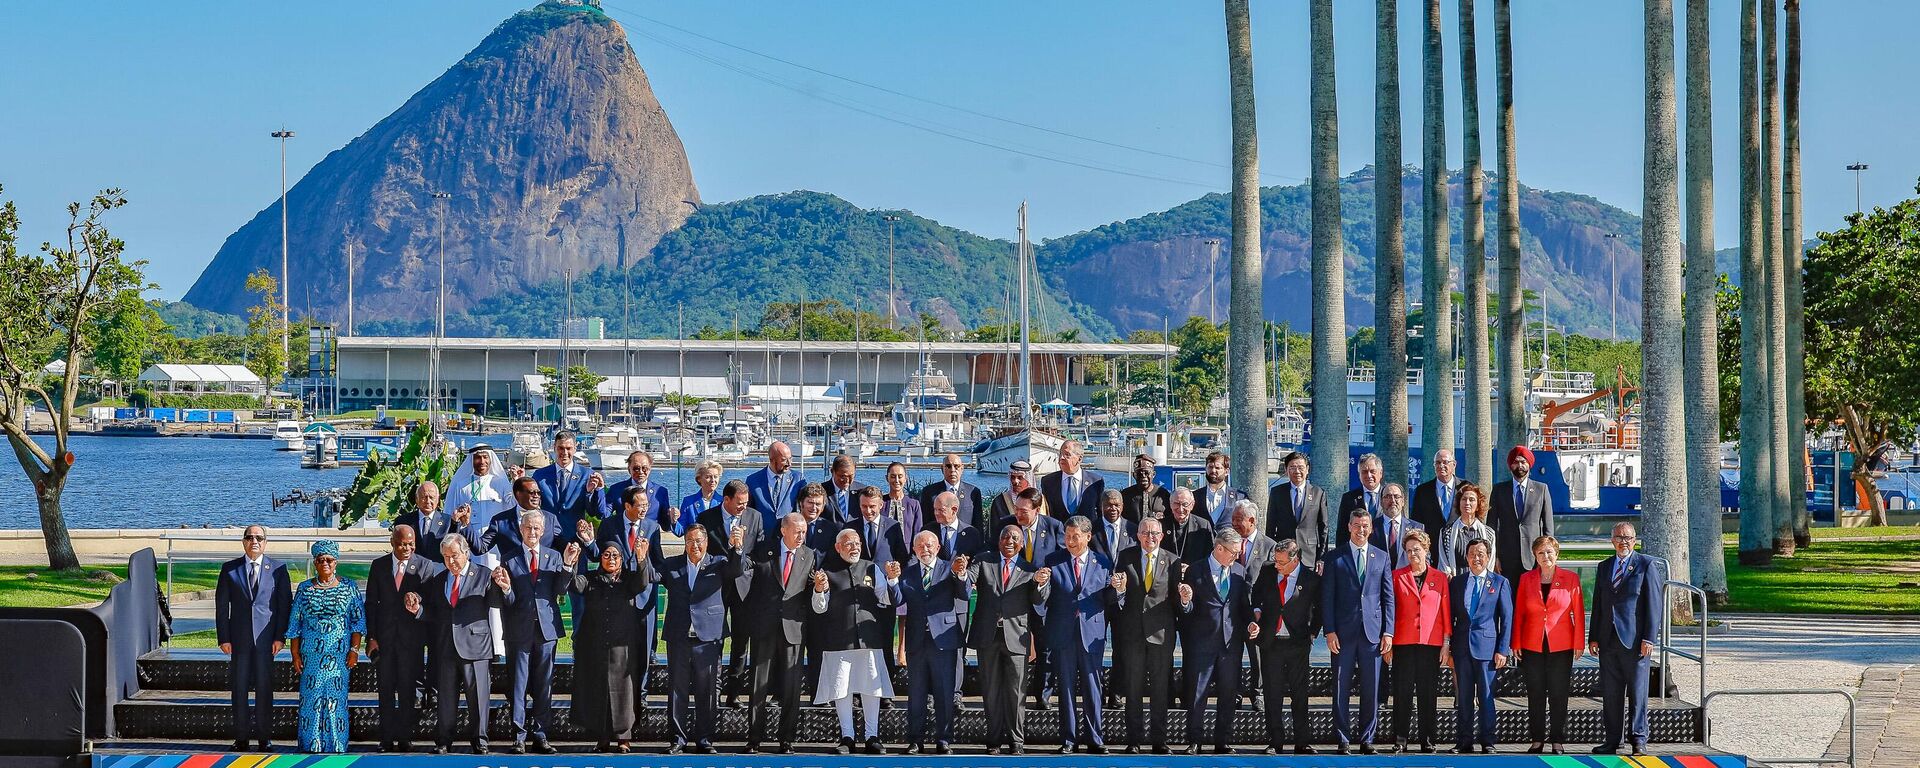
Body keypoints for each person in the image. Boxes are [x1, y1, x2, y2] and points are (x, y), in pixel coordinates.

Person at [634, 526, 732, 754]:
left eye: (698, 541)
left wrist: (737, 548)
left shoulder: (720, 563)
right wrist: (642, 558)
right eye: (689, 541)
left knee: (707, 691)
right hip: (679, 637)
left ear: (706, 542)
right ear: (684, 543)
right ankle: (677, 739)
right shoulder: (673, 564)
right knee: (677, 691)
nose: (694, 545)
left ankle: (705, 739)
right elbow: (651, 576)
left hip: (708, 637)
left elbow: (738, 569)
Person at [412, 533, 511, 754]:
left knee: (478, 698)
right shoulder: (439, 580)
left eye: (454, 555)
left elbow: (497, 603)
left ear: (466, 553)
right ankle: (444, 741)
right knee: (446, 698)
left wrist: (504, 588)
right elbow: (434, 612)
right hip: (446, 647)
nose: (451, 561)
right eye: (446, 557)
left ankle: (480, 741)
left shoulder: (484, 575)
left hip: (476, 647)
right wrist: (418, 610)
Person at [733, 513, 820, 754]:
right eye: (797, 531)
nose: (802, 536)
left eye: (804, 531)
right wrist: (738, 548)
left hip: (793, 629)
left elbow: (811, 589)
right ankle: (754, 738)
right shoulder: (763, 550)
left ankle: (786, 739)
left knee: (792, 687)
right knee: (758, 685)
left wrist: (820, 588)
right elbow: (742, 570)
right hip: (764, 627)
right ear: (783, 530)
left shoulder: (809, 555)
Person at [958, 526, 1050, 754]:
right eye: (1005, 536)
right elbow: (967, 583)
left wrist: (1040, 583)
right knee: (990, 690)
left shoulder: (1029, 569)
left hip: (1016, 637)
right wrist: (960, 573)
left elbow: (1038, 601)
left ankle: (1016, 740)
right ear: (998, 541)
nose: (1009, 540)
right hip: (987, 636)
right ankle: (994, 740)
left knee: (1017, 692)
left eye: (1015, 538)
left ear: (1022, 544)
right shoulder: (983, 561)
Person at [811, 529, 903, 754]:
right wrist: (819, 589)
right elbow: (818, 607)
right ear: (838, 547)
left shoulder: (872, 568)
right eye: (848, 543)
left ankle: (872, 736)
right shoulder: (827, 572)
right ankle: (847, 736)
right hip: (838, 640)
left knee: (871, 688)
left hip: (868, 639)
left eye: (857, 543)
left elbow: (889, 599)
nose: (854, 547)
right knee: (842, 689)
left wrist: (892, 580)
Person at [499, 511, 579, 754]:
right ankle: (519, 735)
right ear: (520, 530)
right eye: (527, 528)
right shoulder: (509, 558)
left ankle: (541, 734)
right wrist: (504, 589)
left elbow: (560, 589)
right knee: (518, 684)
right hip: (519, 629)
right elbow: (509, 600)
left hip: (546, 629)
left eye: (536, 529)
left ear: (542, 531)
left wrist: (567, 565)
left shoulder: (555, 556)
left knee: (544, 684)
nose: (532, 533)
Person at [1039, 516, 1119, 754]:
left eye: (1075, 536)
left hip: (1091, 634)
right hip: (1063, 633)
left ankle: (1095, 738)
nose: (1070, 541)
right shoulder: (1053, 561)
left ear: (1088, 536)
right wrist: (1040, 585)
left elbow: (1109, 601)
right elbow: (1043, 599)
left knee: (1093, 688)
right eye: (1067, 536)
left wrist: (1119, 589)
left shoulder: (1103, 562)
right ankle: (1069, 739)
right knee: (1065, 688)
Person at [584, 485, 664, 710]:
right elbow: (599, 556)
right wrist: (589, 542)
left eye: (646, 505)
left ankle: (642, 695)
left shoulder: (652, 527)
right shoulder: (610, 525)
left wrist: (649, 576)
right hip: (616, 601)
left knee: (645, 648)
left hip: (644, 599)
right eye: (640, 505)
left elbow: (659, 563)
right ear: (627, 505)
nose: (644, 509)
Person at [1322, 508, 1395, 754]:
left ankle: (1367, 738)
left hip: (1372, 633)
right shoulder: (1335, 557)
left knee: (1371, 687)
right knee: (1341, 686)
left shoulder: (1381, 557)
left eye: (1365, 526)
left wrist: (1388, 632)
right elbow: (1327, 597)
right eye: (1356, 525)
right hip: (1342, 634)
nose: (1360, 530)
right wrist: (1329, 630)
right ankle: (1343, 738)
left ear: (1371, 528)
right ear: (1349, 527)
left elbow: (1388, 598)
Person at [215, 525, 291, 753]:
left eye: (259, 538)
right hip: (238, 641)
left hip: (267, 642)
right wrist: (223, 637)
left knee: (265, 689)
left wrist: (280, 637)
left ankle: (264, 737)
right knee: (239, 689)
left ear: (265, 542)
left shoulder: (278, 569)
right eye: (249, 537)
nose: (254, 541)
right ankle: (241, 738)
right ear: (243, 541)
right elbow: (221, 608)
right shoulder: (230, 569)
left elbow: (284, 606)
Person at [284, 539, 364, 754]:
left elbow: (358, 621)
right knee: (311, 699)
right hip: (311, 655)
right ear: (315, 562)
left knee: (336, 700)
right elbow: (295, 623)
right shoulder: (305, 588)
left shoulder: (349, 587)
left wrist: (354, 651)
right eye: (320, 560)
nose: (325, 564)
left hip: (339, 656)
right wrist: (295, 653)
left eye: (329, 560)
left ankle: (336, 745)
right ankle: (312, 744)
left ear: (336, 562)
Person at [1178, 529, 1253, 754]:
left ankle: (1223, 741)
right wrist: (1185, 601)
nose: (1236, 557)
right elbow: (1187, 611)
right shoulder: (1196, 570)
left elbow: (1243, 606)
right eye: (1233, 552)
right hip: (1202, 643)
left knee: (1229, 694)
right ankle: (1195, 740)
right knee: (1197, 694)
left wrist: (1251, 623)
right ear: (1219, 548)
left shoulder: (1239, 571)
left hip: (1230, 644)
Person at [1590, 523, 1661, 756]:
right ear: (1612, 540)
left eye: (1628, 538)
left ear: (1635, 540)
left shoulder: (1646, 565)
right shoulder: (1604, 567)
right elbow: (1598, 604)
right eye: (1619, 537)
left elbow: (1654, 605)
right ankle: (1613, 740)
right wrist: (1593, 637)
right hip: (1608, 640)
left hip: (1635, 641)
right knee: (1611, 693)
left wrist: (1649, 638)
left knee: (1638, 693)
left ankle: (1638, 739)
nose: (1624, 542)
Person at [572, 543, 652, 753]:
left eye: (615, 555)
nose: (611, 558)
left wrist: (642, 559)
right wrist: (571, 562)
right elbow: (574, 585)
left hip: (622, 647)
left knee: (624, 693)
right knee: (599, 692)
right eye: (606, 554)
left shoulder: (627, 580)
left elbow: (642, 583)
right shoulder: (590, 579)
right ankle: (602, 737)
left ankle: (624, 738)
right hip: (595, 646)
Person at [368, 525, 440, 752]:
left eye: (410, 544)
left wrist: (417, 604)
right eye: (401, 544)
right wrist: (371, 637)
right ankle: (386, 739)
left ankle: (406, 737)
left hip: (412, 641)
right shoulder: (378, 566)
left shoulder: (425, 566)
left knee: (409, 691)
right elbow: (371, 604)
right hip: (385, 640)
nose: (406, 548)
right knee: (386, 689)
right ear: (392, 543)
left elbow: (431, 603)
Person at [898, 530, 968, 755]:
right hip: (917, 641)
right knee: (916, 693)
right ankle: (915, 740)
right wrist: (891, 580)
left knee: (944, 692)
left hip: (944, 639)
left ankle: (944, 739)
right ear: (914, 549)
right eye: (920, 546)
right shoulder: (907, 573)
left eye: (929, 545)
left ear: (938, 547)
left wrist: (962, 575)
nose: (925, 549)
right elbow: (897, 600)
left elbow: (964, 594)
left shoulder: (950, 568)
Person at [1112, 518, 1178, 754]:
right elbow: (1118, 598)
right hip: (1133, 635)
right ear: (1137, 535)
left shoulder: (1172, 560)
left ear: (1162, 536)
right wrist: (1119, 591)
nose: (1150, 537)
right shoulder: (1125, 556)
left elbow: (1175, 601)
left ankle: (1159, 740)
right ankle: (1134, 740)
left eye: (1155, 533)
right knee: (1133, 689)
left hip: (1161, 635)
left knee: (1160, 690)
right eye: (1145, 532)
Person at [1250, 539, 1321, 755]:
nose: (1277, 566)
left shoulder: (1310, 579)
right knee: (1273, 694)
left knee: (1300, 694)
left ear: (1295, 559)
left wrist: (1312, 632)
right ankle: (1275, 741)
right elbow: (1256, 595)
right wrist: (1256, 612)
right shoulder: (1267, 570)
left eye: (1281, 563)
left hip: (1297, 644)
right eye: (1276, 561)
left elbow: (1320, 608)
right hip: (1271, 643)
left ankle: (1302, 742)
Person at [698, 479, 764, 708]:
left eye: (745, 503)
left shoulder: (754, 517)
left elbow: (759, 552)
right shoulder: (707, 519)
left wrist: (742, 561)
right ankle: (711, 692)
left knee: (740, 642)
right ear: (726, 499)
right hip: (715, 588)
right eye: (739, 503)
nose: (743, 507)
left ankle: (734, 693)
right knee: (713, 640)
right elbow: (702, 554)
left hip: (744, 588)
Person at [1515, 534, 1582, 755]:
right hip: (1532, 644)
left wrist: (1578, 642)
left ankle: (1557, 740)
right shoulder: (1526, 579)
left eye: (1549, 552)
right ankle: (1536, 740)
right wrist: (1515, 641)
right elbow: (1519, 614)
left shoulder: (1570, 578)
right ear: (1535, 555)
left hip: (1561, 644)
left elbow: (1578, 613)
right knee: (1535, 693)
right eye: (1541, 552)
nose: (1546, 556)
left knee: (1558, 693)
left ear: (1557, 554)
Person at [1448, 538, 1512, 755]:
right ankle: (1464, 741)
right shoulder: (1457, 583)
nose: (1476, 558)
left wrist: (1503, 649)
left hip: (1487, 649)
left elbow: (1507, 618)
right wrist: (1448, 646)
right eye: (1472, 553)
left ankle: (1488, 741)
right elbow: (1450, 617)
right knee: (1463, 697)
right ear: (1466, 557)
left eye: (1481, 554)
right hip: (1461, 648)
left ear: (1488, 556)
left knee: (1486, 697)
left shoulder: (1499, 582)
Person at [1388, 530, 1450, 753]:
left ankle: (1428, 740)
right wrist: (1388, 642)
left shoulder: (1440, 577)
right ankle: (1400, 739)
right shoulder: (1396, 576)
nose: (1413, 553)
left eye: (1417, 549)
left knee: (1428, 694)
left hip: (1430, 644)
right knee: (1402, 693)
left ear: (1426, 550)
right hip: (1403, 644)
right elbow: (1390, 611)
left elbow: (1445, 612)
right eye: (1409, 550)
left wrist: (1446, 644)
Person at [1227, 501, 1276, 710]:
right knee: (1233, 654)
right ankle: (1234, 693)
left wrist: (1261, 609)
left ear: (1252, 521)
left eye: (1239, 519)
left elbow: (1272, 582)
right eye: (1233, 519)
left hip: (1257, 610)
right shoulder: (1228, 541)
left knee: (1257, 655)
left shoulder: (1269, 545)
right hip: (1232, 609)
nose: (1234, 523)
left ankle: (1258, 693)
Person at [1490, 446, 1555, 586]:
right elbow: (1492, 526)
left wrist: (1546, 556)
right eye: (1516, 462)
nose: (1520, 465)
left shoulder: (1541, 489)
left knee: (1532, 601)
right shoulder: (1499, 490)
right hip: (1506, 559)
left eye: (1523, 462)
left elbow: (1548, 528)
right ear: (1510, 466)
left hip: (1533, 558)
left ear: (1529, 464)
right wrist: (1494, 556)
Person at [443, 448, 515, 557]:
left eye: (485, 457)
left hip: (494, 541)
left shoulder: (500, 482)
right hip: (468, 540)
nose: (482, 461)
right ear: (471, 460)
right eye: (478, 458)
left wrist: (516, 480)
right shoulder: (461, 485)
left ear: (490, 460)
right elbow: (450, 514)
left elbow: (512, 505)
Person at [1265, 451, 1329, 569]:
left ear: (1307, 469)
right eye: (1293, 467)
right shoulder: (1277, 492)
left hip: (1309, 555)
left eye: (1300, 467)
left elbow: (1323, 528)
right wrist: (1272, 552)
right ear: (1287, 469)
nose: (1297, 471)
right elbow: (1270, 525)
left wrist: (1322, 557)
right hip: (1284, 555)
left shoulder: (1318, 493)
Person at [531, 432, 601, 529]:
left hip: (574, 536)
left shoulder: (587, 475)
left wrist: (591, 492)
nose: (564, 452)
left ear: (575, 448)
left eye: (568, 448)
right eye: (561, 448)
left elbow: (594, 512)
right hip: (547, 535)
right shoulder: (539, 475)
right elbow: (531, 504)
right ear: (554, 447)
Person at [606, 451, 674, 532]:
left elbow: (666, 526)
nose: (641, 472)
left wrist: (672, 518)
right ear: (629, 469)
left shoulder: (661, 492)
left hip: (649, 540)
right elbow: (604, 514)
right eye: (636, 468)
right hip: (622, 538)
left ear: (650, 469)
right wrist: (597, 490)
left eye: (644, 468)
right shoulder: (616, 489)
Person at [1436, 483, 1495, 577]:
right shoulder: (1446, 532)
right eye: (1464, 499)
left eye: (1471, 500)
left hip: (1480, 584)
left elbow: (1490, 561)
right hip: (1455, 584)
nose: (1467, 503)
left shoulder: (1489, 533)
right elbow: (1443, 563)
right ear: (1459, 503)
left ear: (1478, 505)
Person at [747, 440, 807, 529]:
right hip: (762, 535)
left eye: (790, 458)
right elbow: (748, 512)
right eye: (784, 460)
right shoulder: (753, 480)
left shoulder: (798, 479)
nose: (789, 463)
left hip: (788, 535)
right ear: (772, 460)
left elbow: (804, 506)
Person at [918, 453, 982, 535]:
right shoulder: (929, 492)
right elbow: (925, 522)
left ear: (962, 469)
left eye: (956, 466)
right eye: (948, 466)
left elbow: (978, 523)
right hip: (938, 542)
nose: (952, 470)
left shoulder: (973, 492)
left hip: (965, 542)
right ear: (942, 469)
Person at [395, 481, 457, 564]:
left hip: (438, 573)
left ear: (438, 499)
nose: (428, 501)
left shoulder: (448, 522)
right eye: (424, 497)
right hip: (411, 571)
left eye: (431, 497)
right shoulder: (403, 522)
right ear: (417, 499)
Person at [1041, 440, 1104, 521]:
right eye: (1060, 454)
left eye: (1067, 454)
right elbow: (1045, 513)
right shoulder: (1048, 482)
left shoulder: (1096, 481)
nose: (1061, 458)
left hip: (1087, 532)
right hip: (1058, 532)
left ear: (1079, 459)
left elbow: (1100, 513)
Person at [1001, 486, 1063, 565]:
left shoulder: (1054, 526)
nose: (1018, 514)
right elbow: (993, 552)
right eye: (1016, 509)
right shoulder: (1005, 524)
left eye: (1024, 511)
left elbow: (1062, 557)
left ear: (1037, 510)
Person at [1372, 483, 1425, 572]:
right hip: (1379, 581)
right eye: (1387, 497)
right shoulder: (1371, 527)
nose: (1392, 500)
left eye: (1396, 496)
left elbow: (1425, 557)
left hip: (1408, 580)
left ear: (1403, 501)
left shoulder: (1416, 527)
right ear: (1381, 502)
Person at [1411, 449, 1464, 533]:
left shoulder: (1465, 487)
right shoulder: (1422, 491)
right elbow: (1416, 521)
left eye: (1445, 462)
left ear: (1454, 464)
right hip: (1432, 543)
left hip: (1460, 542)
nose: (1441, 466)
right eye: (1437, 463)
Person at [1193, 450, 1247, 528]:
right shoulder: (1195, 496)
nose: (1213, 471)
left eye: (1217, 468)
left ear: (1226, 471)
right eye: (1210, 467)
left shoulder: (1239, 497)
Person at [1164, 487, 1215, 564]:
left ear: (1192, 505)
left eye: (1185, 504)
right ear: (1170, 504)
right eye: (1176, 504)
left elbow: (1209, 554)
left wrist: (1192, 568)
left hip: (1195, 573)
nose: (1180, 509)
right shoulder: (1161, 525)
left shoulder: (1203, 525)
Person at [929, 491, 985, 561]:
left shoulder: (971, 533)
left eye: (941, 510)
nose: (936, 513)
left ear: (954, 510)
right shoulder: (928, 530)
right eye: (935, 509)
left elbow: (977, 561)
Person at [1119, 454, 1170, 525]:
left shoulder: (1163, 495)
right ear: (1134, 475)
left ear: (1153, 474)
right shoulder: (1125, 495)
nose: (1143, 476)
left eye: (1147, 473)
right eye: (1139, 474)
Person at [880, 461, 926, 536]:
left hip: (906, 547)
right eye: (893, 476)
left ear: (905, 478)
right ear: (887, 478)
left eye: (900, 476)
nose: (897, 480)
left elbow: (917, 532)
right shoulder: (880, 503)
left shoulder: (913, 505)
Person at [984, 459, 1035, 527]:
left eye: (1020, 478)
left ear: (1028, 479)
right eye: (1013, 477)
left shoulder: (1041, 500)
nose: (1015, 481)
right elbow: (994, 531)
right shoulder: (1000, 501)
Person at [1090, 489, 1135, 563]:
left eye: (1117, 505)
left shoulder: (1133, 530)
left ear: (1122, 506)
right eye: (1109, 505)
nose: (1113, 509)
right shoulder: (1091, 529)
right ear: (1101, 506)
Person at [1339, 453, 1389, 519]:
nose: (1369, 475)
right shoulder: (1348, 498)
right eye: (1364, 472)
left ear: (1380, 473)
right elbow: (1342, 528)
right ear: (1359, 475)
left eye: (1372, 471)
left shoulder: (1390, 496)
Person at [679, 459, 725, 529]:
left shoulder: (723, 502)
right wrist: (673, 519)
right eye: (708, 477)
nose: (713, 480)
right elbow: (680, 530)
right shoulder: (689, 502)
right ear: (699, 479)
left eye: (715, 477)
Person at [822, 455, 868, 524]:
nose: (847, 480)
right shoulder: (821, 491)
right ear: (832, 471)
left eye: (851, 476)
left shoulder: (862, 491)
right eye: (842, 476)